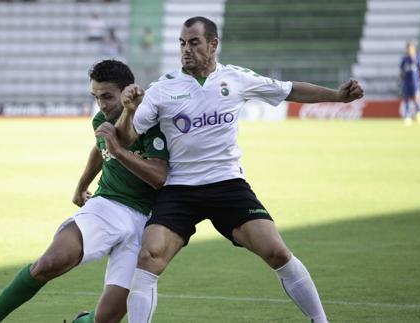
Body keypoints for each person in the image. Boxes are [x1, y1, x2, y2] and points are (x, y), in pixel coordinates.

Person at [116, 16, 364, 323]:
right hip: (180, 187)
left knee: (277, 253)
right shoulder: (162, 89)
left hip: (227, 184)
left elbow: (289, 90)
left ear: (213, 44)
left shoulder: (235, 78)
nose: (186, 49)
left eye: (194, 42)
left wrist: (337, 96)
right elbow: (126, 138)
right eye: (182, 43)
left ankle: (321, 321)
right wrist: (128, 111)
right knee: (149, 257)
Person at [0, 60, 169, 323]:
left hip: (145, 224)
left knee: (106, 319)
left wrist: (118, 150)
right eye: (96, 97)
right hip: (107, 206)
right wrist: (81, 187)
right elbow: (100, 149)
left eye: (107, 97)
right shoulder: (102, 120)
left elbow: (159, 177)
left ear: (126, 92)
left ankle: (82, 321)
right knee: (49, 263)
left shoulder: (151, 122)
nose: (101, 104)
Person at [399, 41, 420, 125]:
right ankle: (407, 116)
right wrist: (400, 82)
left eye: (410, 49)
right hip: (406, 83)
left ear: (414, 49)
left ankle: (418, 114)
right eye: (408, 49)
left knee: (417, 99)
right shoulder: (404, 59)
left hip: (416, 83)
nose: (409, 50)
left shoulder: (419, 58)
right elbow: (401, 71)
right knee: (406, 99)